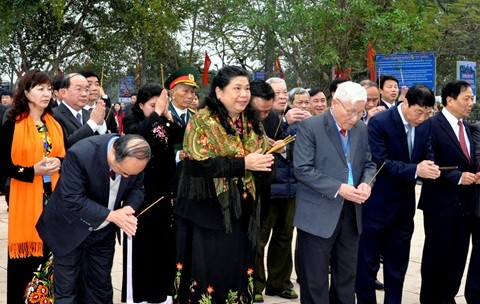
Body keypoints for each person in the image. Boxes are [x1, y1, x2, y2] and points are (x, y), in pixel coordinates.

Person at [174, 66, 274, 304]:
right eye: (236, 88)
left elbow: (258, 154)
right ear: (219, 92)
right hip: (209, 214)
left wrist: (266, 160)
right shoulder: (202, 121)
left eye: (246, 88)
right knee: (211, 271)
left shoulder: (251, 122)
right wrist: (244, 163)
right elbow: (199, 164)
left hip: (243, 213)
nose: (243, 94)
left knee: (239, 270)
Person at [36, 134, 150, 303]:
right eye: (124, 172)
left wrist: (128, 207)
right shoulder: (81, 154)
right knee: (67, 290)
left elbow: (138, 188)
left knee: (100, 287)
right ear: (113, 154)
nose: (127, 176)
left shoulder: (136, 158)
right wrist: (113, 215)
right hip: (69, 229)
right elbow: (73, 199)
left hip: (103, 233)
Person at [355, 84, 440, 304]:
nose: (421, 118)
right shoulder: (380, 122)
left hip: (404, 207)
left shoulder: (425, 125)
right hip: (376, 204)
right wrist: (415, 170)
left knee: (397, 265)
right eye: (418, 112)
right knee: (368, 264)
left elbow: (427, 152)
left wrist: (429, 166)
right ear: (406, 102)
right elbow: (380, 162)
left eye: (427, 113)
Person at [293, 81, 376, 304]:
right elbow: (302, 169)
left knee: (346, 276)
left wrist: (367, 183)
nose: (354, 118)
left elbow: (369, 163)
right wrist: (339, 188)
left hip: (351, 213)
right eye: (351, 112)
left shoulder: (361, 128)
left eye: (361, 112)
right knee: (315, 280)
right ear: (335, 103)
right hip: (318, 214)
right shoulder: (311, 126)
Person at [0, 69, 66, 304]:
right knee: (27, 262)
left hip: (54, 200)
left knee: (53, 259)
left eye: (49, 89)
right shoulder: (13, 124)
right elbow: (3, 165)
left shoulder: (54, 124)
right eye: (40, 88)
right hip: (27, 199)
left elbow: (65, 157)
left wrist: (59, 162)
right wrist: (30, 171)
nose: (46, 93)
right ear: (26, 92)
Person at [121, 83, 183, 303]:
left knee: (162, 246)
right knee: (142, 246)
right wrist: (157, 114)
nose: (156, 108)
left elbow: (180, 135)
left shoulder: (161, 119)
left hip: (165, 192)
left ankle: (161, 294)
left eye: (159, 103)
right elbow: (137, 137)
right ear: (140, 104)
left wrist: (167, 114)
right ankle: (138, 296)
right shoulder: (132, 119)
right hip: (142, 193)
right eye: (151, 105)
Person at [417, 80, 478, 303]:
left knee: (457, 259)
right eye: (467, 98)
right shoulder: (431, 125)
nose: (471, 103)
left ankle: (447, 297)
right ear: (449, 101)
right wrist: (457, 176)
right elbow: (427, 161)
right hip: (440, 206)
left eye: (472, 98)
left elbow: (469, 161)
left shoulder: (468, 127)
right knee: (436, 259)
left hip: (466, 206)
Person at [53, 73, 109, 148]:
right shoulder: (53, 115)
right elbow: (64, 144)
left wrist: (101, 123)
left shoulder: (90, 114)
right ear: (64, 93)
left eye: (86, 90)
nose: (84, 94)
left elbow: (102, 143)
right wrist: (92, 124)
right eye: (78, 89)